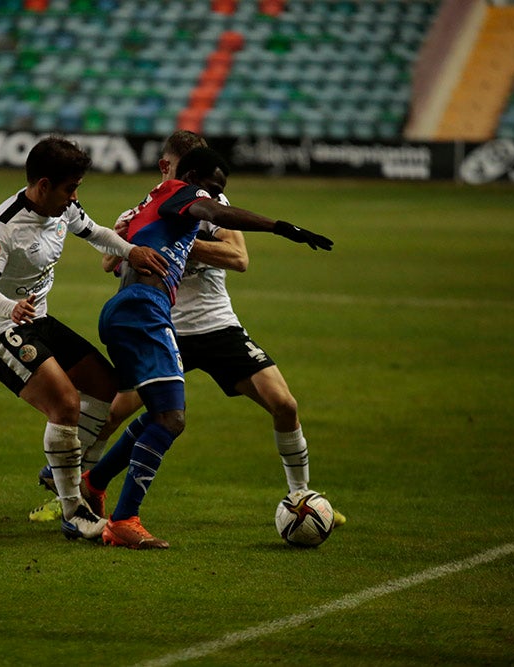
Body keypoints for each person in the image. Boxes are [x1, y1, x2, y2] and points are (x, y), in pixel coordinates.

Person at [86, 146, 334, 549]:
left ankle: (92, 485)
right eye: (210, 186)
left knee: (172, 414)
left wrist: (177, 243)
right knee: (156, 417)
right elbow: (112, 259)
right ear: (185, 171)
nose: (215, 195)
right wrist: (279, 226)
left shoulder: (182, 200)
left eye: (220, 190)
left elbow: (236, 253)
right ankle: (98, 503)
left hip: (203, 324)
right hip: (151, 317)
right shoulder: (180, 195)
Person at [0, 136, 168, 542]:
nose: (75, 197)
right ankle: (74, 510)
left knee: (106, 386)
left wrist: (130, 252)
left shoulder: (65, 210)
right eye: (69, 188)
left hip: (37, 320)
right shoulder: (4, 226)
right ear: (44, 185)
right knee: (66, 403)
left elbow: (93, 231)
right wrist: (11, 308)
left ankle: (63, 472)